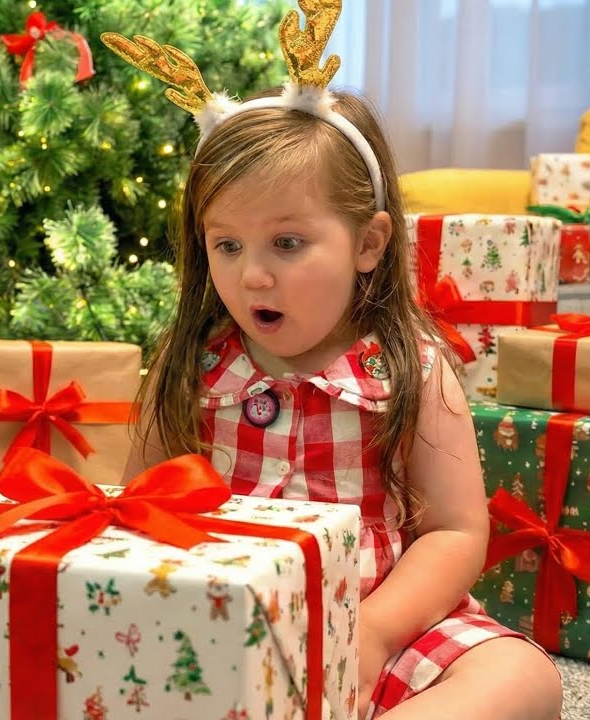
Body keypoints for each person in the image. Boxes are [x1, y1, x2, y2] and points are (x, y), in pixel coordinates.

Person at [104, 17, 563, 720]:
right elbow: (140, 501)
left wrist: (374, 632)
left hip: (382, 620)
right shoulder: (194, 363)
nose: (252, 275)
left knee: (523, 679)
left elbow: (455, 532)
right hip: (223, 624)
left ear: (369, 243)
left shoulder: (410, 368)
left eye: (287, 242)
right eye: (226, 244)